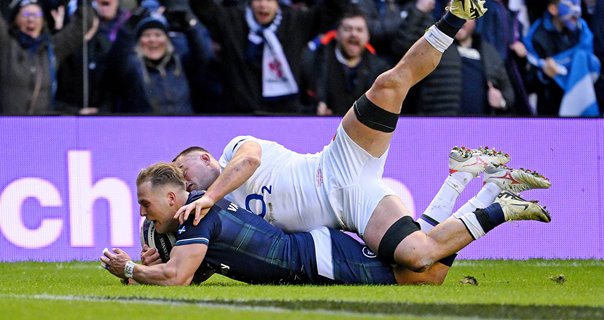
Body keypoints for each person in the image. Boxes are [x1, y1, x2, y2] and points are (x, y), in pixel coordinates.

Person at [173, 0, 551, 273]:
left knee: (389, 84)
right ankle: (498, 203)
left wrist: (209, 195)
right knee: (418, 257)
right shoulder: (218, 211)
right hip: (353, 206)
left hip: (337, 162)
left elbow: (250, 162)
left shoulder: (235, 151)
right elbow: (202, 257)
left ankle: (456, 14)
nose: (181, 179)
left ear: (205, 158)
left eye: (180, 168)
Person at [100, 161, 551, 286]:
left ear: (174, 197)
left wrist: (131, 271)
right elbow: (194, 271)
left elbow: (178, 278)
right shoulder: (179, 224)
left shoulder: (196, 210)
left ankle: (497, 204)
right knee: (421, 260)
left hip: (320, 260)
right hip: (315, 255)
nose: (142, 212)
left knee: (425, 271)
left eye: (145, 203)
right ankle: (472, 182)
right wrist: (150, 260)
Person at [190, 0, 345, 114]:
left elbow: (333, 10)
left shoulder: (295, 21)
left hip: (285, 115)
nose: (263, 5)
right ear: (250, 1)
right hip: (240, 115)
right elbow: (201, 4)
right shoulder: (232, 21)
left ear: (278, 2)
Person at [524, 0, 601, 116]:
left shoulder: (583, 31)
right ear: (553, 9)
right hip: (552, 110)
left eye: (578, 5)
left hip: (583, 101)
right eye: (570, 5)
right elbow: (529, 82)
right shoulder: (537, 37)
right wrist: (544, 75)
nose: (576, 10)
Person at [299, 8, 389, 115]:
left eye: (359, 30)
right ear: (336, 34)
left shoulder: (380, 69)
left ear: (368, 36)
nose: (353, 34)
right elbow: (299, 103)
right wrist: (314, 111)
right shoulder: (314, 62)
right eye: (347, 29)